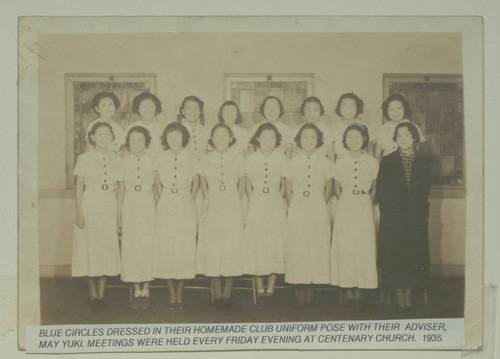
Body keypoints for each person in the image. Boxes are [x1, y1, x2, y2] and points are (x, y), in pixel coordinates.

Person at [376, 122, 433, 308]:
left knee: (413, 255)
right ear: (395, 138)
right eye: (399, 136)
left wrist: (414, 212)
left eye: (407, 135)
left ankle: (408, 296)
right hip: (393, 218)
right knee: (395, 255)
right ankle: (398, 297)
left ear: (415, 138)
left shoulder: (424, 161)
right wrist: (393, 212)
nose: (403, 139)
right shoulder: (388, 160)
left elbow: (424, 189)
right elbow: (382, 191)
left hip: (415, 217)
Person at [72, 121, 121, 311]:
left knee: (105, 248)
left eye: (107, 134)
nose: (103, 138)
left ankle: (102, 295)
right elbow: (78, 189)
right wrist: (79, 213)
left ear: (112, 138)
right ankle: (92, 296)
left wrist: (118, 216)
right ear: (92, 137)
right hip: (90, 204)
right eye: (99, 134)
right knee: (89, 248)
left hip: (109, 204)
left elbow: (120, 187)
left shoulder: (116, 158)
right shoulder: (84, 158)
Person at [196, 124, 246, 307]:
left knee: (231, 245)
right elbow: (203, 185)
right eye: (217, 135)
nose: (221, 138)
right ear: (211, 138)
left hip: (232, 205)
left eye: (224, 135)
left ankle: (227, 291)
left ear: (231, 138)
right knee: (213, 246)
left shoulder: (239, 158)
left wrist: (232, 200)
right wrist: (211, 202)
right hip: (212, 205)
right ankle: (216, 290)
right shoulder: (205, 159)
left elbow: (242, 184)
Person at [284, 123, 334, 307]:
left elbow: (329, 189)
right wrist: (295, 206)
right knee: (298, 246)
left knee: (316, 245)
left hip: (318, 207)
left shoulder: (326, 162)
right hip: (298, 207)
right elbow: (288, 189)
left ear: (319, 140)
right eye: (305, 137)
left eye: (313, 137)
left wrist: (319, 203)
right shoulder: (291, 162)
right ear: (298, 140)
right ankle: (299, 288)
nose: (309, 141)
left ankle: (311, 289)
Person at [153, 122, 199, 310]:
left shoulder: (191, 157)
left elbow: (195, 183)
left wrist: (189, 200)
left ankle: (180, 292)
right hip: (166, 203)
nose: (174, 140)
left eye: (177, 136)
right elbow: (156, 184)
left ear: (184, 138)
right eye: (170, 136)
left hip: (185, 202)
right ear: (166, 139)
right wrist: (161, 203)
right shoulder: (161, 158)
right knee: (167, 248)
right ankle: (171, 293)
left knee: (183, 248)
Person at [330, 124, 379, 302]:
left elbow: (375, 188)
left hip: (364, 206)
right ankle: (346, 286)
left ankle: (362, 287)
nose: (354, 140)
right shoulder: (340, 162)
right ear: (345, 140)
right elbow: (336, 188)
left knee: (363, 246)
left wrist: (366, 202)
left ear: (364, 139)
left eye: (357, 137)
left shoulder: (372, 162)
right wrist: (346, 202)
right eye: (350, 137)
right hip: (345, 205)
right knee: (345, 246)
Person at [243, 123, 287, 300]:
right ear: (258, 138)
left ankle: (271, 286)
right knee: (257, 241)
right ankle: (259, 285)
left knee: (275, 241)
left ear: (276, 140)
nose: (268, 141)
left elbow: (284, 185)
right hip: (256, 202)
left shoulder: (282, 158)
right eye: (264, 137)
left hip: (275, 202)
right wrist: (256, 201)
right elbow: (247, 187)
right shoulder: (250, 159)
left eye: (272, 137)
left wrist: (277, 199)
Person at [117, 126, 156, 309]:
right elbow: (121, 190)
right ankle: (135, 285)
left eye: (140, 140)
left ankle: (146, 285)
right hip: (130, 205)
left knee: (147, 244)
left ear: (146, 142)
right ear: (128, 142)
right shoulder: (123, 162)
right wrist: (119, 217)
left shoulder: (153, 161)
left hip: (148, 204)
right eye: (133, 140)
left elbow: (157, 189)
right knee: (131, 245)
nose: (136, 144)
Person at [374, 94, 426, 161]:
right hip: (387, 166)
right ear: (386, 110)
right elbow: (377, 155)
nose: (395, 112)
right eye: (391, 109)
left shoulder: (413, 126)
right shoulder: (382, 129)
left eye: (399, 108)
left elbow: (418, 150)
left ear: (405, 108)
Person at [122, 92, 166, 158]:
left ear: (156, 108)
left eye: (151, 107)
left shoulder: (163, 129)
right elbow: (125, 151)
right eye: (144, 107)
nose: (147, 110)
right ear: (138, 109)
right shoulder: (131, 128)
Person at [331, 92, 373, 161]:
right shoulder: (333, 129)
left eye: (352, 106)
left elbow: (370, 152)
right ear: (339, 108)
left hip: (361, 165)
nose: (348, 109)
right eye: (344, 106)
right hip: (340, 166)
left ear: (357, 107)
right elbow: (331, 155)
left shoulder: (365, 127)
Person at [292, 96, 335, 161]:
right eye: (308, 110)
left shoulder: (328, 130)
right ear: (303, 111)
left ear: (320, 111)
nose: (312, 113)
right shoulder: (297, 130)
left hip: (321, 166)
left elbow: (331, 156)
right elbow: (294, 155)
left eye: (315, 110)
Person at [177, 95, 210, 160]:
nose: (192, 112)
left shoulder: (206, 131)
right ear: (183, 111)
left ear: (200, 111)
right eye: (188, 108)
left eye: (196, 108)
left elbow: (209, 152)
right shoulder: (177, 130)